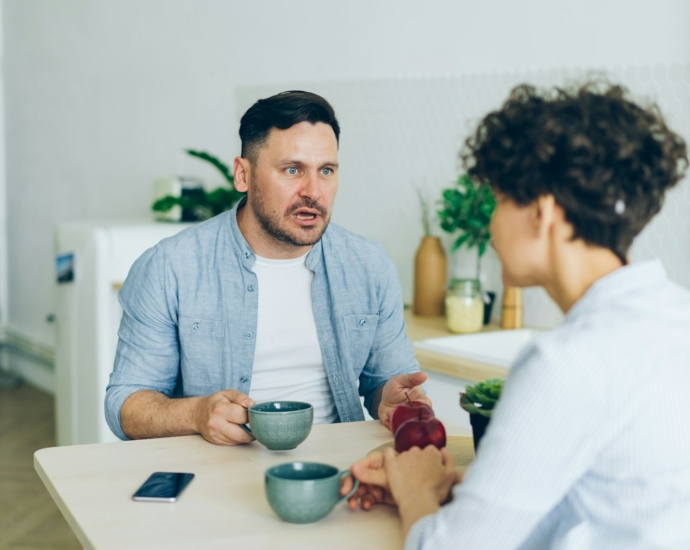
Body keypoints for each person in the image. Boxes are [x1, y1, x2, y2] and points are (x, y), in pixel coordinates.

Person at [343, 81, 690, 549]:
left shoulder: (567, 363)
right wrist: (455, 495)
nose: (490, 223)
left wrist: (418, 489)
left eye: (500, 200)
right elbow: (605, 498)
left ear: (542, 214)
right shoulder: (674, 316)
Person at [105, 91, 430, 445]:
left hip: (338, 467)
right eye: (292, 170)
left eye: (326, 171)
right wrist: (196, 414)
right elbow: (126, 405)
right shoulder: (170, 267)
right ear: (243, 175)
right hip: (216, 467)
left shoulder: (368, 265)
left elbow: (386, 382)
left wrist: (393, 401)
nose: (314, 191)